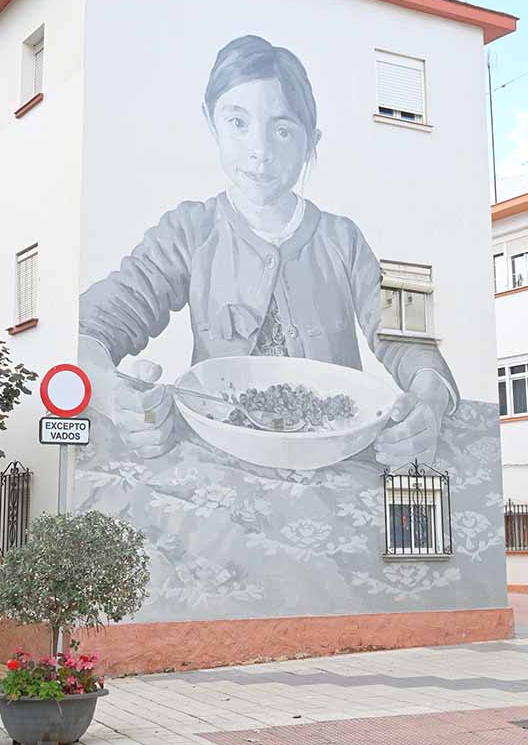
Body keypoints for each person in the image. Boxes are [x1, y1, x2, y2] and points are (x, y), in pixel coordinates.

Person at [79, 35, 458, 467]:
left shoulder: (343, 238)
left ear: (310, 140)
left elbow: (406, 339)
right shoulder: (188, 231)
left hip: (336, 457)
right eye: (238, 123)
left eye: (282, 129)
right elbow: (89, 329)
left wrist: (429, 402)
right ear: (211, 121)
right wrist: (115, 397)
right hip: (219, 456)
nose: (260, 151)